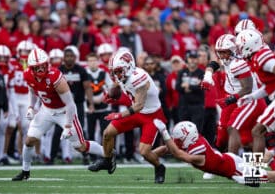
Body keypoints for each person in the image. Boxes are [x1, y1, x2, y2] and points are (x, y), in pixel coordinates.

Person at [12, 48, 104, 181]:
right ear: (31, 68)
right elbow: (32, 90)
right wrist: (31, 107)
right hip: (46, 109)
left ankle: (107, 152)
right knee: (29, 140)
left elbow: (70, 104)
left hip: (64, 111)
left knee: (80, 146)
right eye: (36, 67)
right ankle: (25, 171)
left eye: (42, 66)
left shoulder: (54, 76)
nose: (40, 70)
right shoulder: (28, 74)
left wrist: (67, 126)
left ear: (47, 63)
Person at [88, 49, 167, 184]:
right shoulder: (123, 75)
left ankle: (159, 167)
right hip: (137, 113)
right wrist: (111, 95)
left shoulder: (139, 78)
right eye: (114, 72)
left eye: (118, 71)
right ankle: (108, 160)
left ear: (129, 66)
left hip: (151, 115)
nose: (116, 75)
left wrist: (119, 114)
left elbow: (139, 105)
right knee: (108, 133)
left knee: (144, 152)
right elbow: (118, 85)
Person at [202, 34, 267, 155]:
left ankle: (234, 163)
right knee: (224, 133)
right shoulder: (229, 58)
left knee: (234, 128)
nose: (221, 56)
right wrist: (207, 76)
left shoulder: (238, 63)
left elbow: (247, 88)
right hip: (236, 96)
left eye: (224, 52)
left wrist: (230, 99)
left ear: (232, 50)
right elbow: (214, 63)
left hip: (248, 99)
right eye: (219, 52)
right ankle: (249, 168)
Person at [153, 119, 267, 187]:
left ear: (187, 137)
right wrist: (149, 155)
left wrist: (164, 132)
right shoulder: (192, 140)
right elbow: (167, 148)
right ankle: (271, 157)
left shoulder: (198, 150)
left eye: (179, 139)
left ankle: (272, 156)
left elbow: (178, 154)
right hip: (227, 158)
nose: (177, 141)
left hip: (233, 167)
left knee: (269, 177)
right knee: (261, 171)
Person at [235, 29, 275, 154]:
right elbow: (270, 87)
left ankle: (255, 169)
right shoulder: (255, 58)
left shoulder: (261, 56)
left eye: (240, 46)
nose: (239, 50)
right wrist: (251, 97)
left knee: (257, 131)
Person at [176, 50, 204, 131]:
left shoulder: (201, 73)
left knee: (196, 131)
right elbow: (177, 87)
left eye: (194, 58)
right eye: (190, 58)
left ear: (197, 60)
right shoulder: (182, 72)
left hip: (197, 106)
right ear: (187, 59)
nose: (192, 60)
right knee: (183, 131)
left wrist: (189, 86)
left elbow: (202, 87)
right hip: (183, 106)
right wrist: (195, 86)